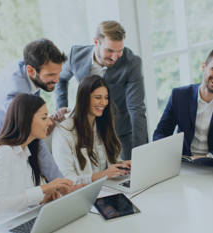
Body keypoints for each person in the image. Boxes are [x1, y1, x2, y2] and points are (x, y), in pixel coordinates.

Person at [0, 39, 69, 182]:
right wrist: (60, 182)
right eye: (51, 75)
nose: (57, 80)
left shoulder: (31, 63)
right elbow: (35, 140)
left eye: (58, 73)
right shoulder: (15, 93)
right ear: (31, 70)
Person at [0, 94, 79, 231]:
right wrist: (44, 188)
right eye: (44, 117)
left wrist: (41, 200)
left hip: (21, 222)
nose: (49, 122)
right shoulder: (3, 153)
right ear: (26, 119)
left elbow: (18, 199)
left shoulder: (25, 153)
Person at [55, 20, 148, 160]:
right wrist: (61, 105)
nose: (114, 57)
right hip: (85, 131)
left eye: (119, 51)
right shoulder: (76, 55)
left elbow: (137, 109)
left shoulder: (132, 63)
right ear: (96, 42)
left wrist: (141, 152)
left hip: (120, 132)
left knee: (133, 173)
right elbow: (60, 78)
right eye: (109, 50)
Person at [153, 48, 213, 160]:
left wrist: (207, 158)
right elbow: (161, 132)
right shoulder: (179, 96)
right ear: (204, 66)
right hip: (184, 161)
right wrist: (168, 155)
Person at [52, 75, 131, 185]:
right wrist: (103, 175)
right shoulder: (63, 132)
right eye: (98, 97)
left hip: (110, 189)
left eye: (106, 97)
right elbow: (67, 179)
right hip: (84, 195)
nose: (103, 102)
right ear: (84, 98)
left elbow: (106, 165)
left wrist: (121, 165)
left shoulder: (102, 124)